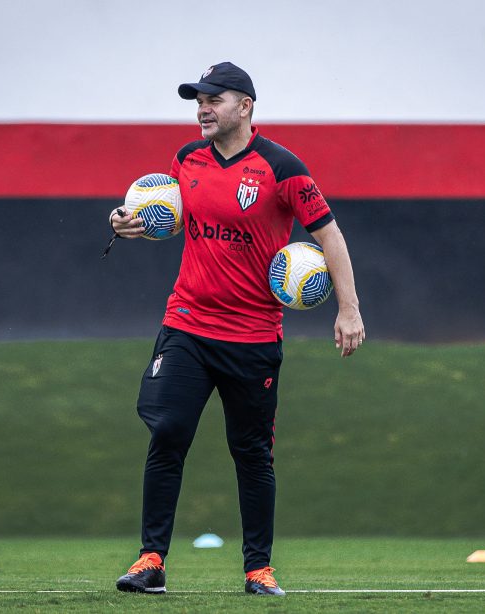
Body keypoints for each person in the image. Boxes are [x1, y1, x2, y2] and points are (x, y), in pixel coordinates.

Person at [112, 62, 365, 596]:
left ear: (244, 106)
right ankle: (151, 560)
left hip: (253, 336)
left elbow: (331, 236)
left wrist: (349, 310)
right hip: (187, 324)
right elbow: (165, 213)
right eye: (197, 100)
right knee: (168, 431)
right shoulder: (186, 159)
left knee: (251, 453)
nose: (202, 108)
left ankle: (258, 570)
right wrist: (128, 221)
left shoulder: (283, 168)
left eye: (213, 99)